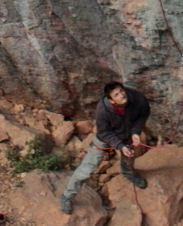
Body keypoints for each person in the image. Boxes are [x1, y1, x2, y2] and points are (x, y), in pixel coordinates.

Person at [59, 81, 150, 215]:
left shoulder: (136, 98)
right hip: (106, 138)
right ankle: (66, 196)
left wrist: (135, 132)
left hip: (127, 133)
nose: (122, 95)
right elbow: (103, 132)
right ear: (111, 100)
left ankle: (128, 174)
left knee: (129, 157)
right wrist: (119, 145)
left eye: (121, 91)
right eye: (116, 94)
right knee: (88, 168)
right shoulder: (103, 110)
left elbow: (144, 113)